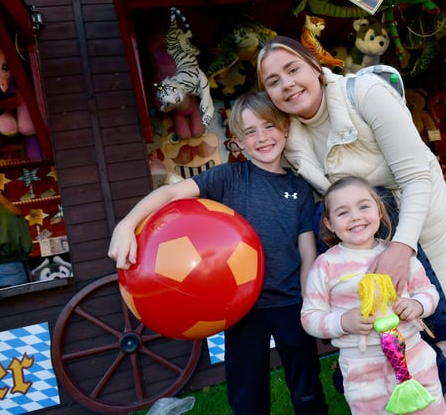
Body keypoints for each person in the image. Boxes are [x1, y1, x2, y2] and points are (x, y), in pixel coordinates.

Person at [257, 35, 446, 414]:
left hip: (418, 218)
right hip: (362, 235)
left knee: (442, 318)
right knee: (383, 322)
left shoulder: (366, 94)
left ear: (315, 65)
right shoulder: (289, 135)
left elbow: (417, 176)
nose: (286, 84)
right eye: (273, 81)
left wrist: (401, 248)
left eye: (292, 69)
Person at [108, 91, 328, 415]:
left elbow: (307, 251)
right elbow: (170, 192)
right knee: (247, 394)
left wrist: (310, 298)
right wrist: (127, 225)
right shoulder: (228, 177)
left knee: (307, 387)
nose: (262, 138)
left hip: (290, 301)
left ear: (284, 129)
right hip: (239, 308)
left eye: (268, 127)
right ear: (238, 140)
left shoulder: (299, 187)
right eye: (250, 132)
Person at [301, 176, 446, 415]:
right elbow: (310, 317)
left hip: (414, 357)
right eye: (343, 212)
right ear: (329, 223)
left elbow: (428, 292)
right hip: (362, 368)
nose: (355, 217)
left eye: (364, 207)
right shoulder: (325, 265)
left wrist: (417, 305)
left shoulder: (397, 255)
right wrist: (343, 322)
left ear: (379, 211)